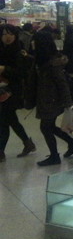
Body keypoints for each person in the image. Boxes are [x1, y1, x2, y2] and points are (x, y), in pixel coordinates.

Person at [28, 31, 73, 166]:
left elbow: (62, 83)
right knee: (48, 127)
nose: (32, 43)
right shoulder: (42, 59)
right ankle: (71, 143)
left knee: (45, 127)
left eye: (35, 41)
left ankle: (55, 156)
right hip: (47, 99)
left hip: (51, 100)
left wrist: (68, 103)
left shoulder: (52, 63)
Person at [0, 24, 36, 162]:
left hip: (13, 92)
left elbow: (21, 73)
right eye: (4, 34)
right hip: (2, 90)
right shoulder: (2, 50)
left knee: (4, 121)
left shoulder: (19, 52)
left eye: (10, 34)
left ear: (15, 35)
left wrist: (4, 69)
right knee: (11, 120)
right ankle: (27, 143)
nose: (7, 37)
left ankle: (1, 151)